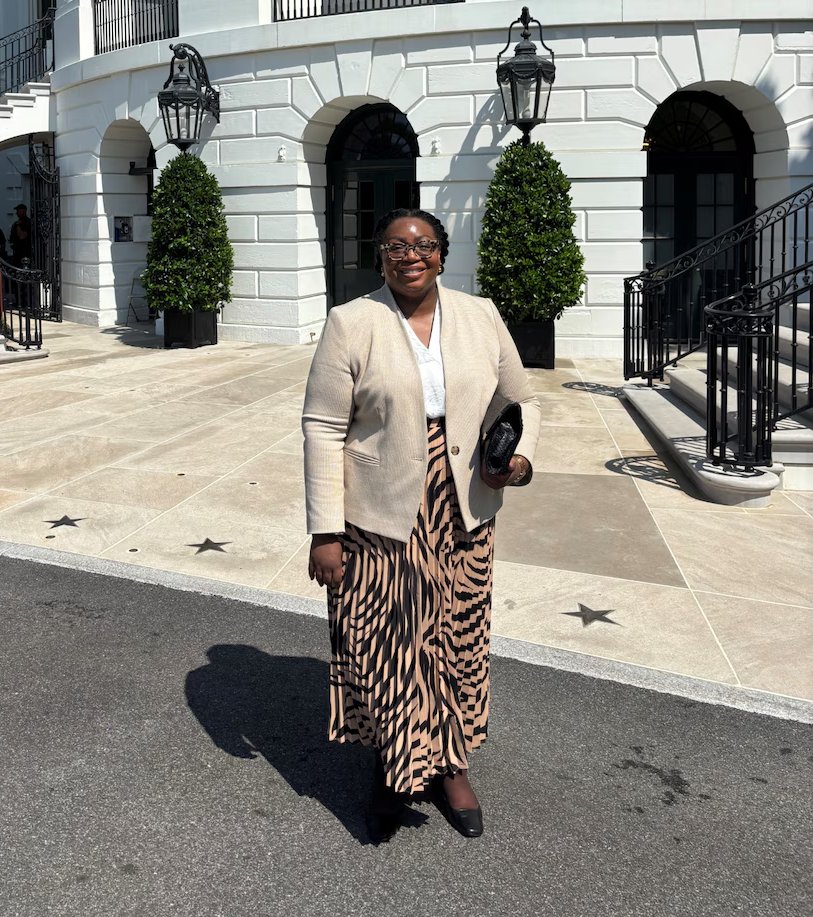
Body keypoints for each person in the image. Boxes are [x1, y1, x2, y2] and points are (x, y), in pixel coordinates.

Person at [302, 208, 541, 843]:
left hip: (463, 500)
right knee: (388, 639)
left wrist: (518, 457)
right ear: (379, 257)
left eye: (424, 245)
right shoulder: (351, 322)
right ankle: (394, 765)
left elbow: (518, 401)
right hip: (379, 509)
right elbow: (323, 426)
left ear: (442, 253)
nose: (410, 256)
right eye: (395, 247)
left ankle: (451, 763)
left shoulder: (481, 315)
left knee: (456, 637)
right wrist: (325, 530)